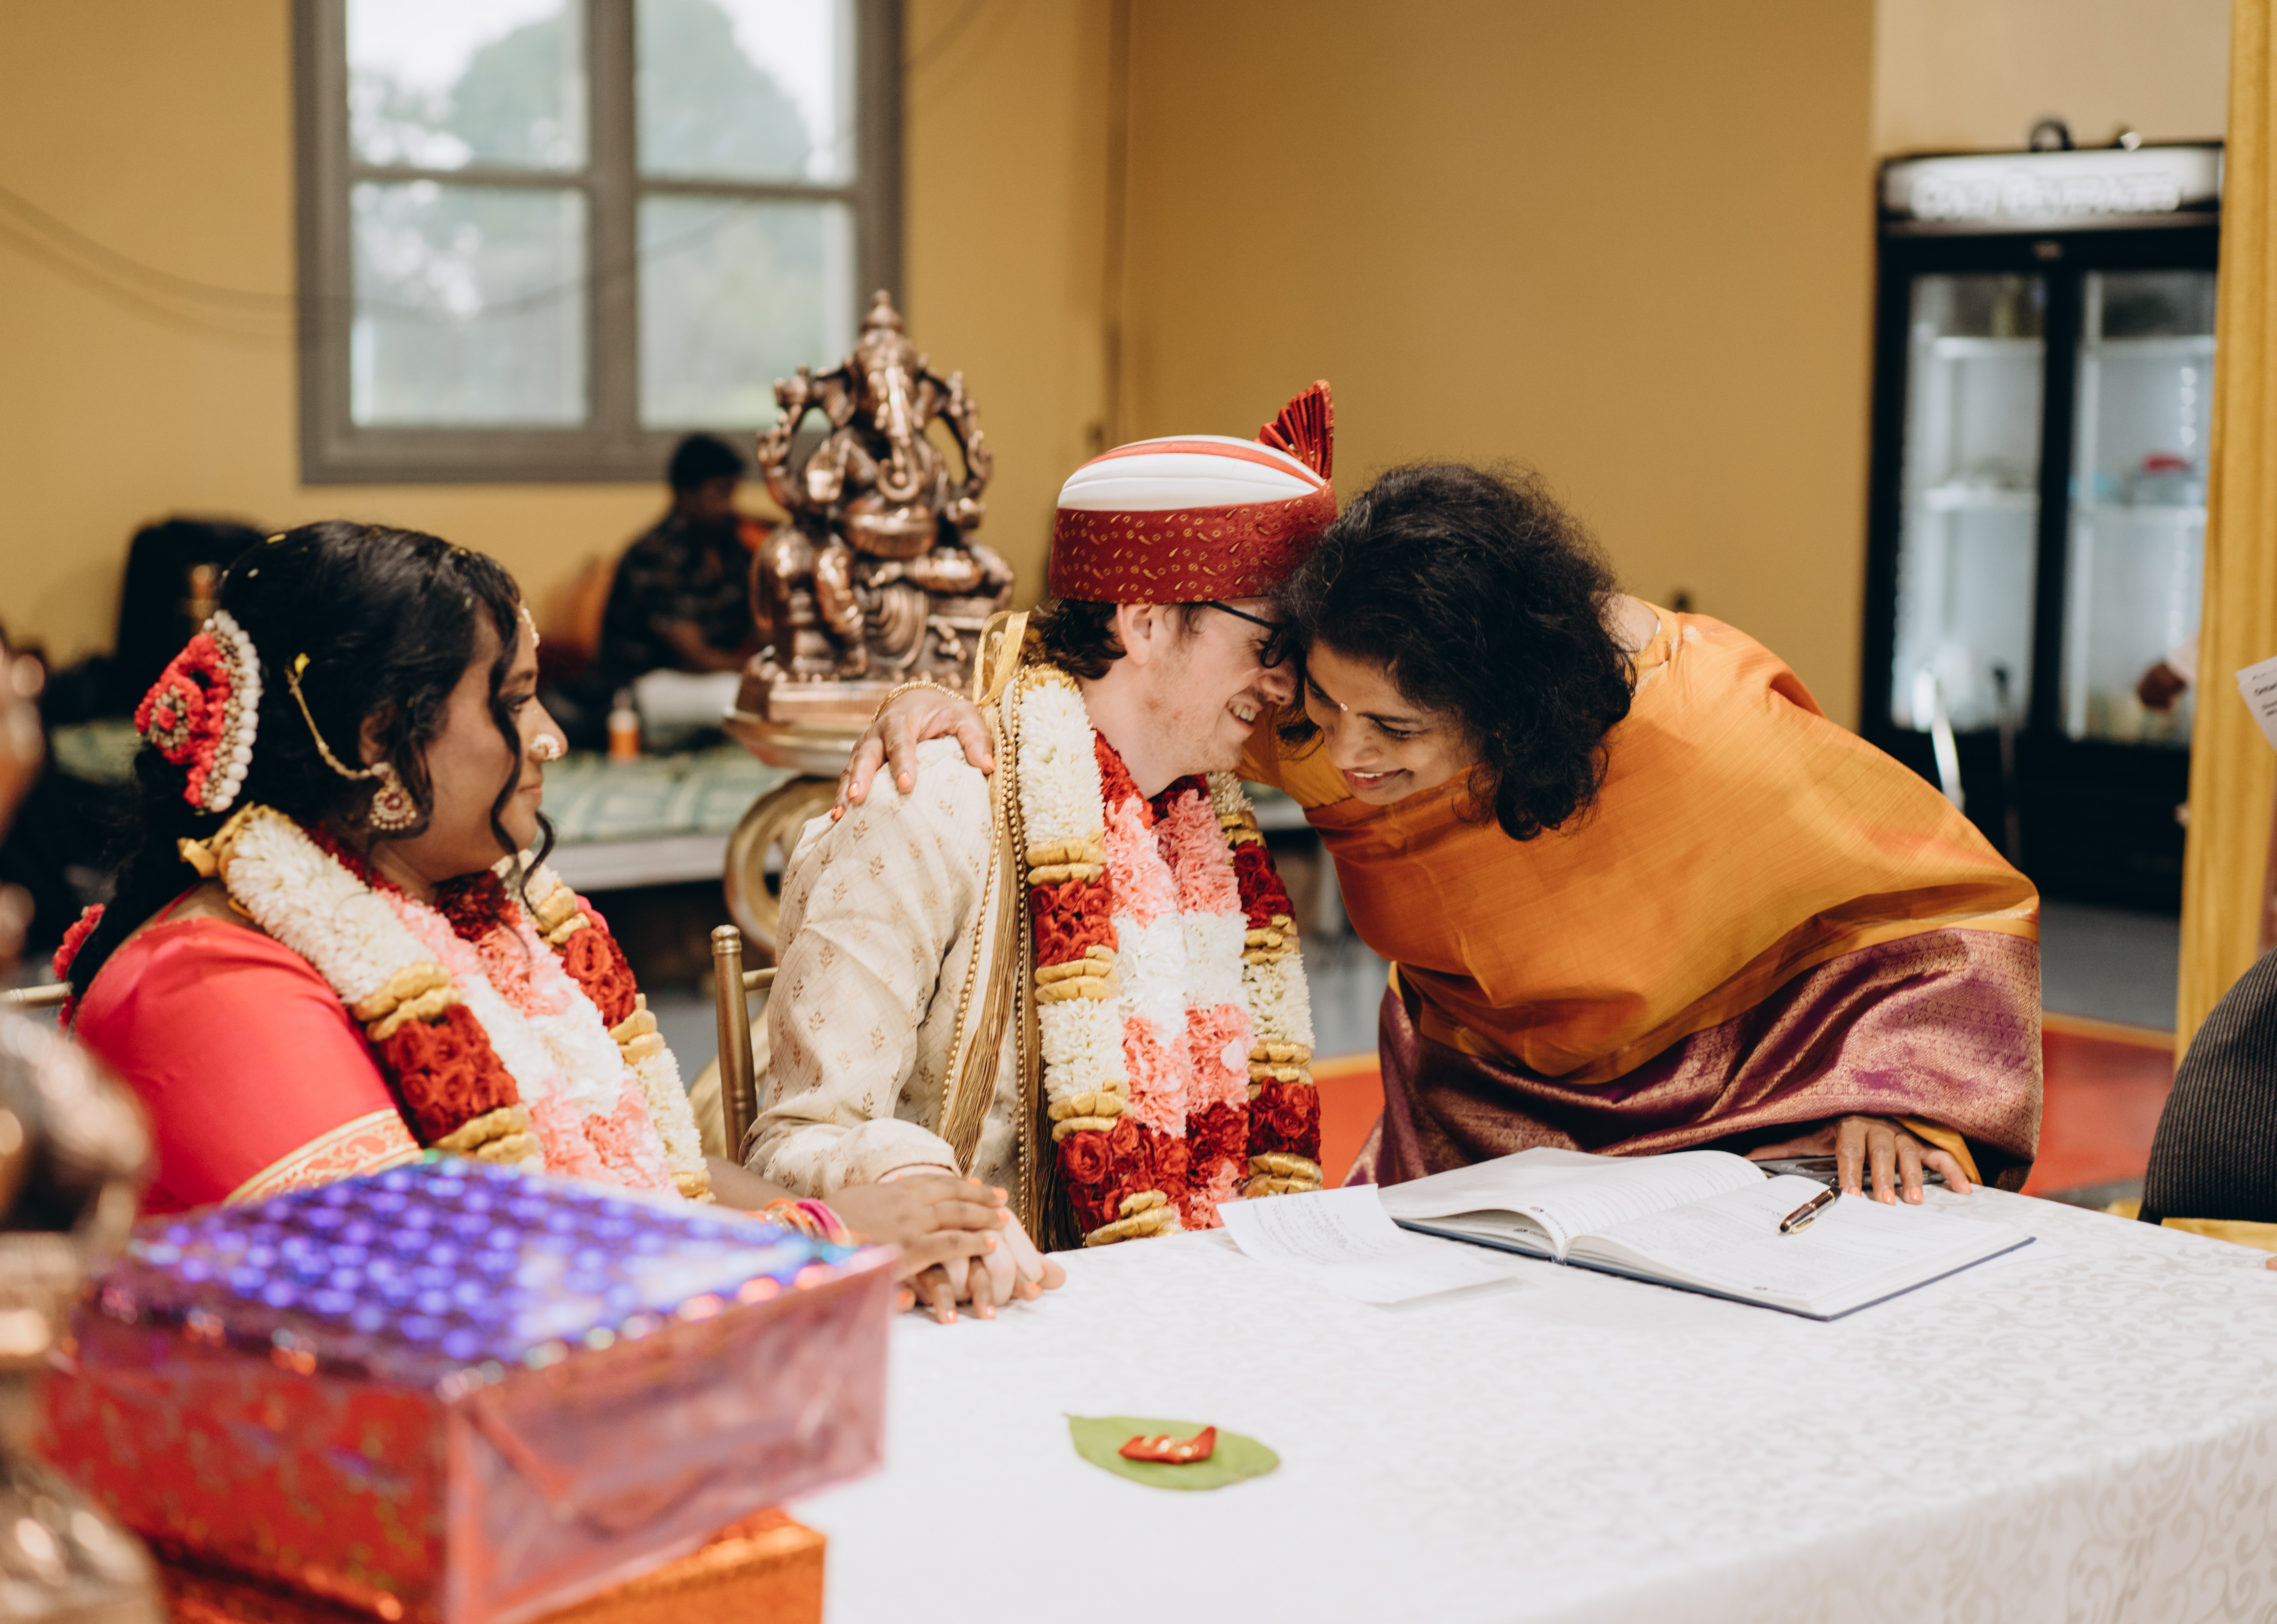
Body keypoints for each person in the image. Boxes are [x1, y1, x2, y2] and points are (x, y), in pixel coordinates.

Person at [848, 461, 2044, 1201]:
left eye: (1396, 729)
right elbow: (1109, 661)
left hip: (1736, 1114)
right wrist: (949, 692)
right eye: (1325, 710)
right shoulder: (1311, 711)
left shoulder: (1702, 731)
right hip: (1472, 1119)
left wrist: (1893, 1088)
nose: (1344, 757)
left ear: (1508, 717)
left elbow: (1944, 901)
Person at [57, 522, 1020, 1318]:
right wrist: (825, 1242)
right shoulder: (207, 985)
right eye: (515, 701)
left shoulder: (469, 913)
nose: (551, 736)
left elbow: (652, 1179)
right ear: (378, 740)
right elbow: (441, 1295)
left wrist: (894, 1229)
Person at [747, 385, 1337, 1254]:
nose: (1285, 685)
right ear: (1145, 622)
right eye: (1269, 644)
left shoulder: (1208, 823)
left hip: (1193, 1289)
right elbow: (793, 1146)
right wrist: (923, 1197)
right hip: (981, 1299)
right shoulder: (933, 805)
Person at [597, 433, 759, 686]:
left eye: (732, 493)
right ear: (686, 495)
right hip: (642, 683)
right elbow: (698, 659)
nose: (729, 506)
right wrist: (762, 670)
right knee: (736, 694)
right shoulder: (653, 556)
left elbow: (760, 629)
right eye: (720, 494)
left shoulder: (732, 548)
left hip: (708, 680)